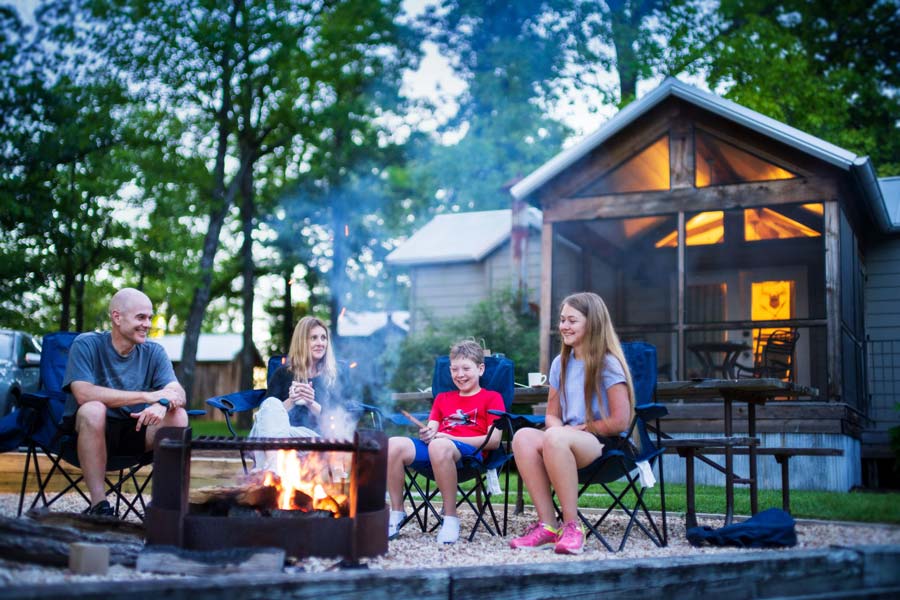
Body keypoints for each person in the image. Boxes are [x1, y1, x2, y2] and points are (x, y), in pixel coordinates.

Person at [508, 292, 635, 554]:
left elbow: (620, 421)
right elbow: (551, 415)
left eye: (572, 321)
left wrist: (574, 431)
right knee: (522, 437)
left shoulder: (608, 363)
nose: (564, 326)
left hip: (606, 443)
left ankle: (572, 527)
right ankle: (548, 526)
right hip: (566, 441)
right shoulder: (561, 363)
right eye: (562, 320)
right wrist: (560, 431)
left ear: (593, 323)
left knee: (555, 437)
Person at [63, 288, 188, 517]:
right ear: (117, 317)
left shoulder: (153, 352)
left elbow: (177, 392)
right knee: (92, 409)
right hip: (91, 434)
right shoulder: (87, 344)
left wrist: (161, 403)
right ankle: (99, 505)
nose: (147, 324)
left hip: (135, 428)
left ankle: (166, 506)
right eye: (141, 317)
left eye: (149, 318)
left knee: (178, 415)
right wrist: (146, 396)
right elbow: (83, 393)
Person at [385, 340, 505, 545]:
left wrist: (447, 438)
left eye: (466, 368)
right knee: (393, 444)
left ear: (481, 369)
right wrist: (428, 434)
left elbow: (493, 441)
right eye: (454, 369)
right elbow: (433, 429)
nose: (460, 374)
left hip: (469, 454)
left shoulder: (492, 398)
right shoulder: (442, 398)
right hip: (438, 449)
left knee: (439, 445)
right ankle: (397, 513)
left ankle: (450, 518)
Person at [249, 316, 352, 470]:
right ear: (302, 341)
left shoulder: (333, 377)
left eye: (323, 338)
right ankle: (274, 469)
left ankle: (271, 472)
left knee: (267, 432)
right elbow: (267, 415)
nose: (320, 343)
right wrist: (292, 400)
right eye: (314, 338)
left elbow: (337, 421)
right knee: (270, 404)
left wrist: (311, 403)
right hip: (279, 435)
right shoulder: (282, 374)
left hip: (310, 439)